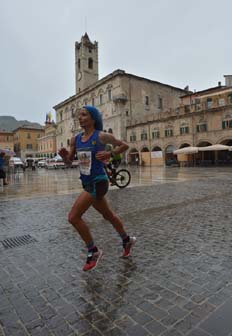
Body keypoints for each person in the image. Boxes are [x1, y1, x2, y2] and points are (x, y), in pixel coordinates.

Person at [59, 106, 136, 271]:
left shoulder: (101, 136)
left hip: (99, 181)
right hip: (87, 183)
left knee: (73, 217)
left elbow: (124, 146)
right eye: (79, 116)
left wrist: (111, 154)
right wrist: (64, 156)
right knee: (109, 215)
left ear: (93, 118)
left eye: (84, 115)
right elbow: (68, 162)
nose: (80, 118)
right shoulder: (75, 139)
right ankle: (126, 240)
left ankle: (93, 250)